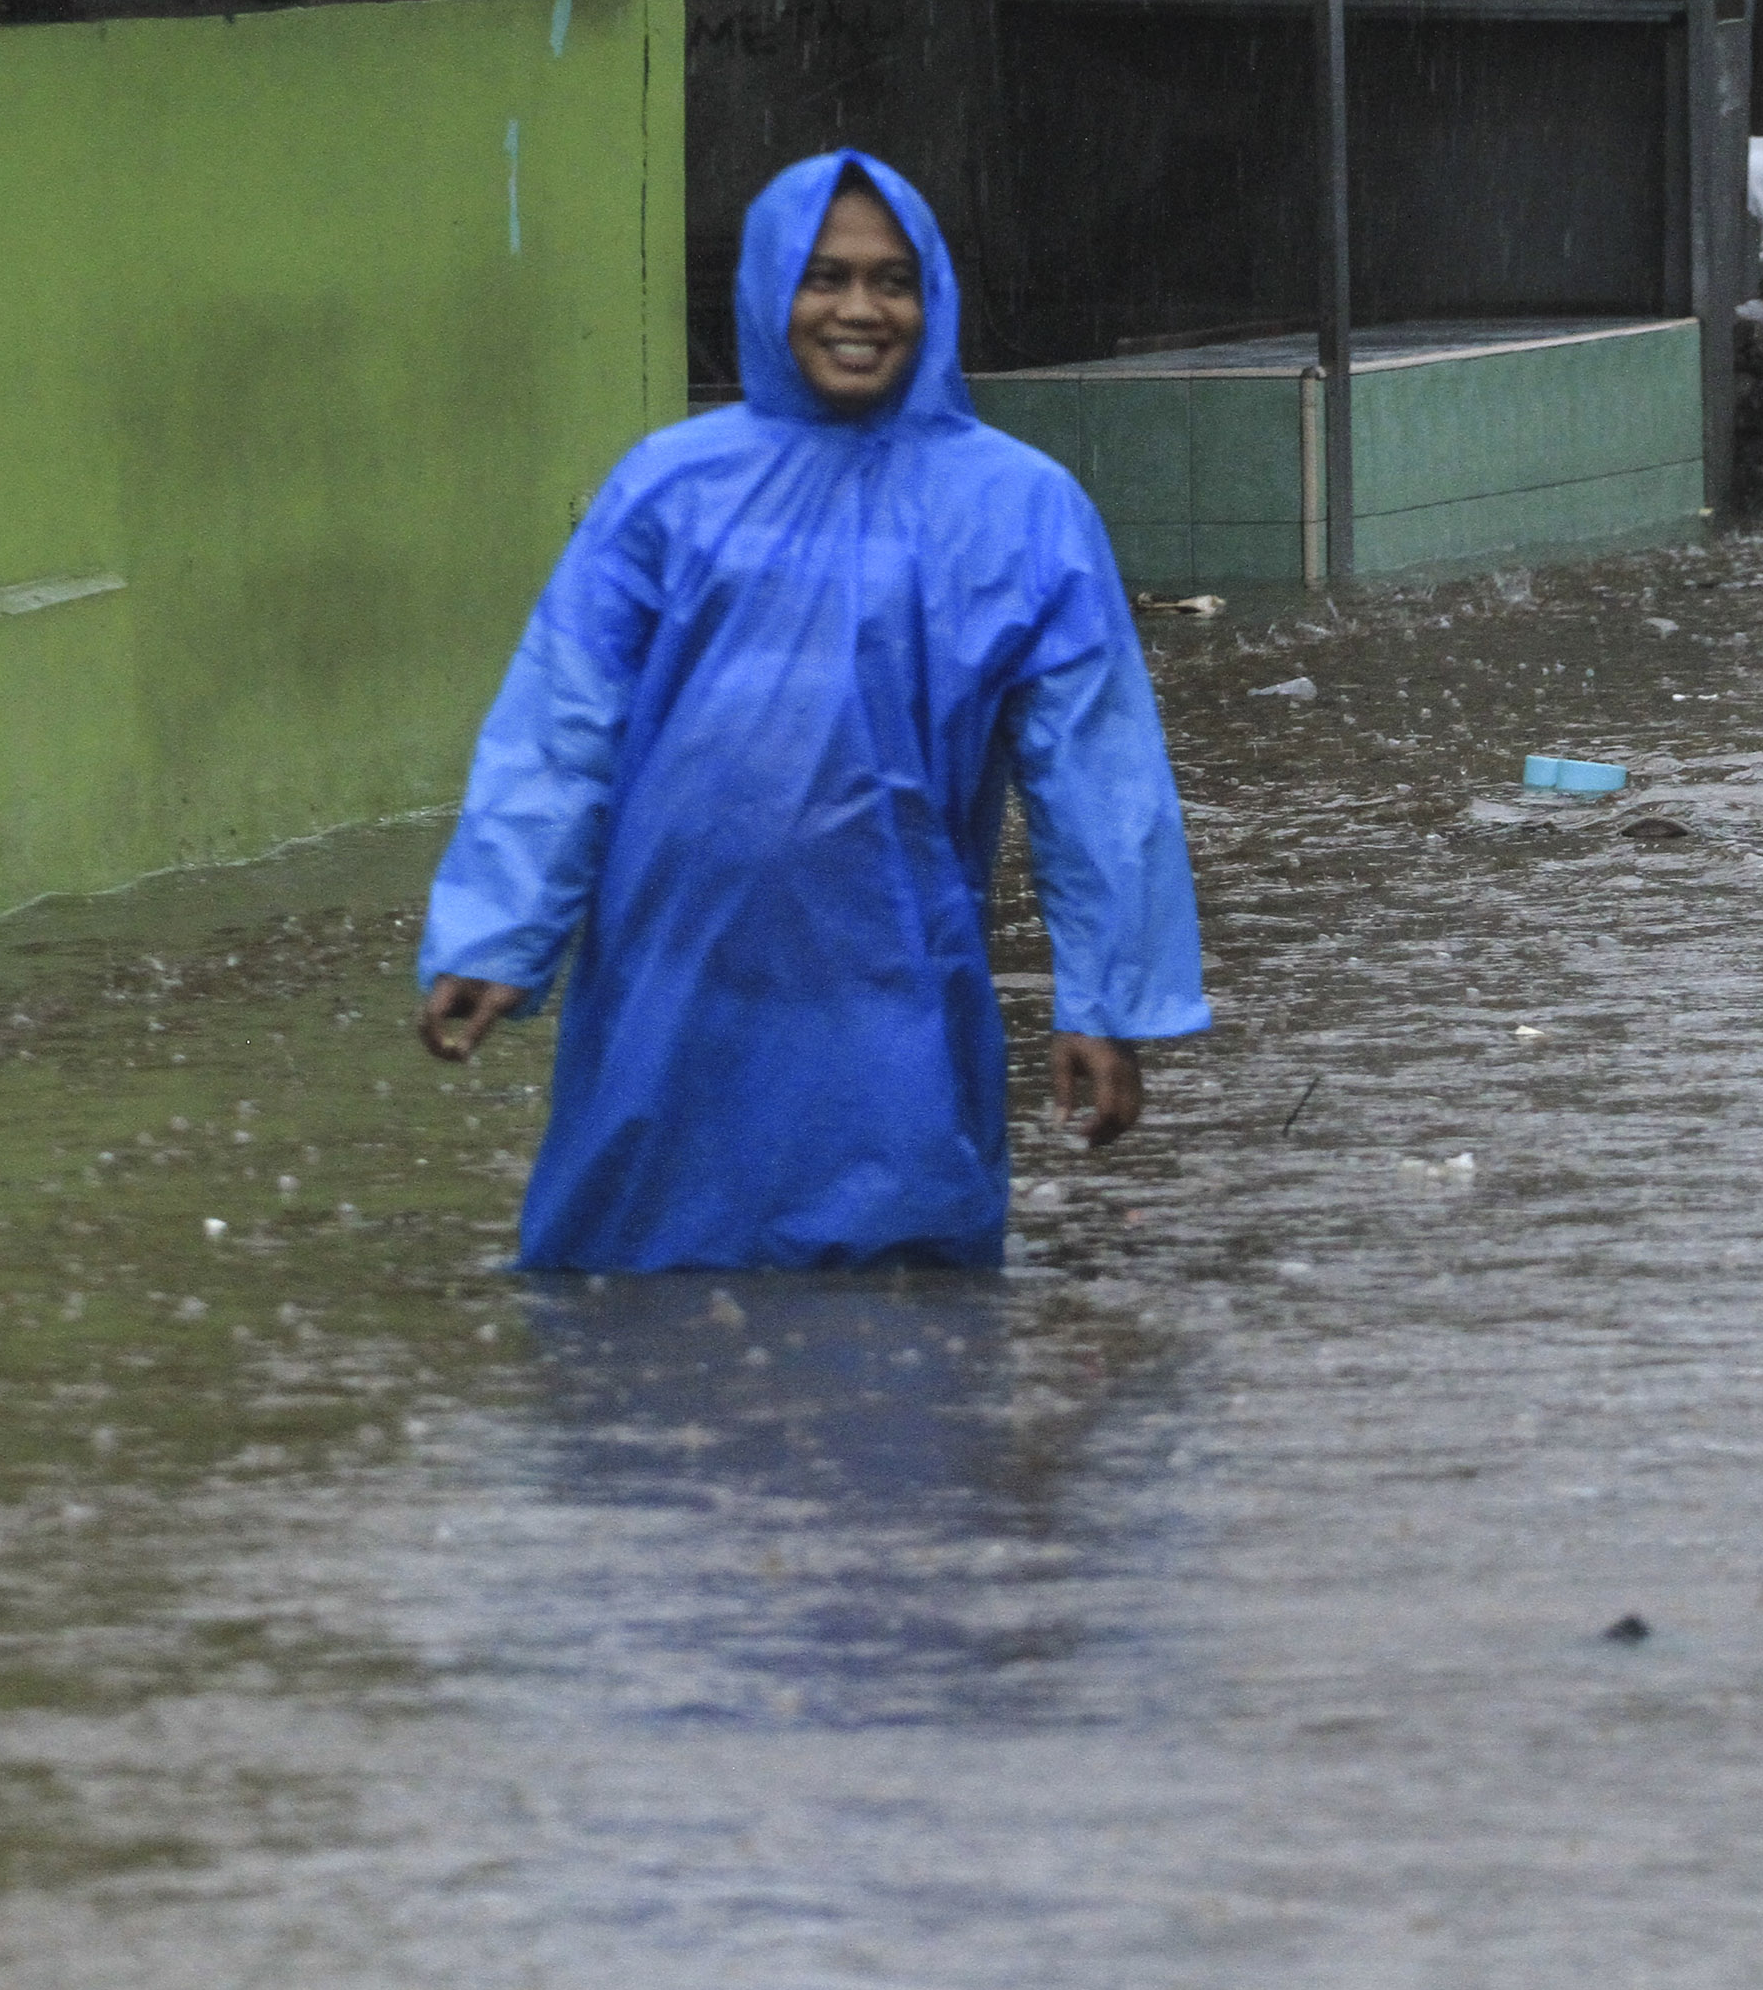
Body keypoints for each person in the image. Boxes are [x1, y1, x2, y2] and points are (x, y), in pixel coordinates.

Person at [414, 152, 1212, 1272]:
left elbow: (1096, 775)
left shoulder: (1023, 509)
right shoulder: (667, 489)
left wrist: (1105, 1002)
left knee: (899, 1304)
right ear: (765, 290)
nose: (857, 310)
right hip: (671, 978)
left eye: (892, 281)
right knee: (626, 1298)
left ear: (932, 301)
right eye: (823, 276)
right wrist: (500, 931)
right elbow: (563, 724)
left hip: (892, 981)